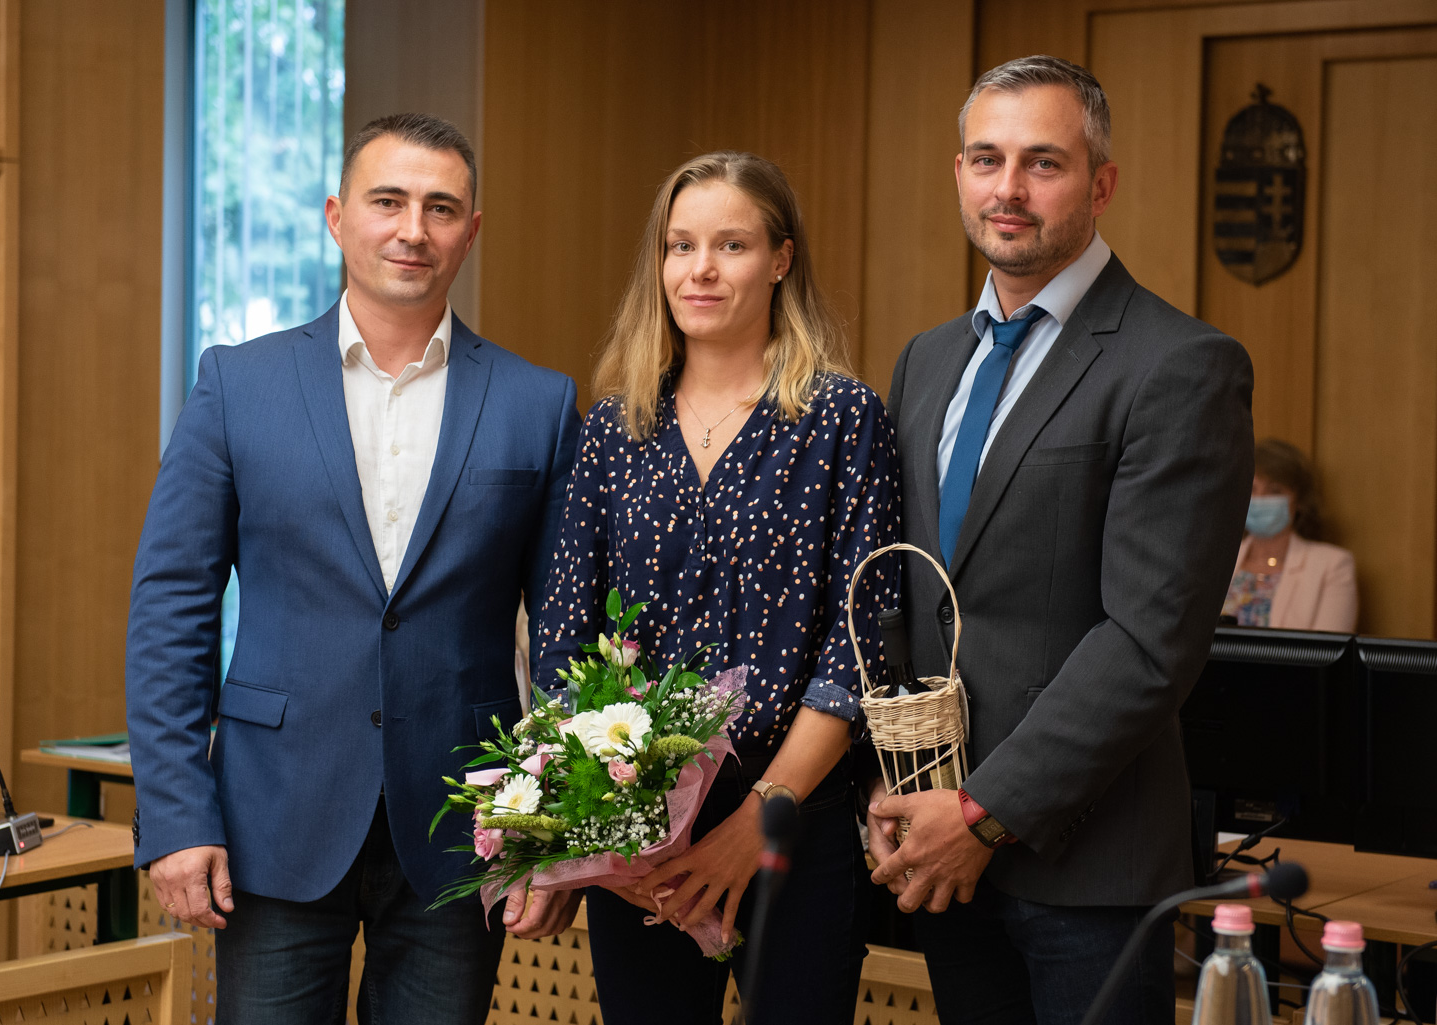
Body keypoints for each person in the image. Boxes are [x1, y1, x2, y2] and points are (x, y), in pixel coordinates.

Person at [124, 113, 581, 1024]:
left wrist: (559, 832)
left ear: (470, 232)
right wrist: (176, 814)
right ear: (337, 217)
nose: (413, 229)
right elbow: (172, 606)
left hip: (467, 827)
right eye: (388, 201)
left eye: (440, 208)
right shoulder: (237, 384)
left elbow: (568, 633)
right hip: (272, 817)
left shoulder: (538, 401)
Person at [870, 56, 1254, 1025]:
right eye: (985, 158)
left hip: (1085, 858)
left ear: (1100, 183)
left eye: (1041, 162)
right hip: (935, 843)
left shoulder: (1178, 364)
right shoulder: (926, 360)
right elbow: (912, 597)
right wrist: (900, 789)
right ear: (958, 172)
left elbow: (1148, 641)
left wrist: (982, 811)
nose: (1007, 188)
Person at [535, 151, 898, 1024]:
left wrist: (758, 818)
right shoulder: (614, 428)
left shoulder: (842, 419)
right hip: (638, 833)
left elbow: (859, 649)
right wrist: (604, 836)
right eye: (680, 245)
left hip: (791, 821)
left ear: (779, 259)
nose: (699, 269)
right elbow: (562, 640)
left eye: (730, 245)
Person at [1223, 438, 1357, 631]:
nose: (1259, 499)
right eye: (1251, 489)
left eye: (1274, 490)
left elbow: (1328, 647)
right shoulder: (1217, 559)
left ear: (1300, 500)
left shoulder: (1333, 566)